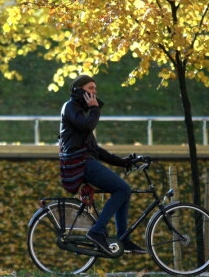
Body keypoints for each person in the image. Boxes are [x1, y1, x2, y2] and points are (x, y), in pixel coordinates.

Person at [58, 74, 146, 254]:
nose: (94, 92)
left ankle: (123, 239)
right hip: (80, 163)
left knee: (123, 191)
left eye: (95, 90)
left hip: (85, 160)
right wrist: (95, 109)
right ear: (79, 90)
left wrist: (124, 162)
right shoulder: (70, 107)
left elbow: (96, 150)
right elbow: (87, 126)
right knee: (122, 189)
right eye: (91, 89)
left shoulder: (80, 111)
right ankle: (97, 232)